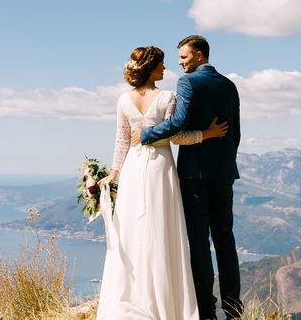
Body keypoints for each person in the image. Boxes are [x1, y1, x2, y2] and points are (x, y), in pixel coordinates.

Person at [96, 46, 229, 320]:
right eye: (161, 65)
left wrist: (114, 172)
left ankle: (134, 295)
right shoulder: (168, 97)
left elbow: (122, 140)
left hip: (133, 166)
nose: (166, 69)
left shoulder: (123, 100)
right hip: (160, 168)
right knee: (161, 227)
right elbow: (177, 137)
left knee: (134, 228)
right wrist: (207, 134)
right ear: (151, 68)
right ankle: (165, 300)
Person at [140, 36, 242, 320]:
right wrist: (224, 161)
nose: (180, 63)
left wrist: (146, 134)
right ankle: (234, 310)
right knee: (225, 240)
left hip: (195, 173)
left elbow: (178, 122)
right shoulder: (229, 85)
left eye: (184, 57)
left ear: (199, 56)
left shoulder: (189, 83)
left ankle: (206, 311)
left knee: (199, 241)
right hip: (224, 172)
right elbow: (236, 133)